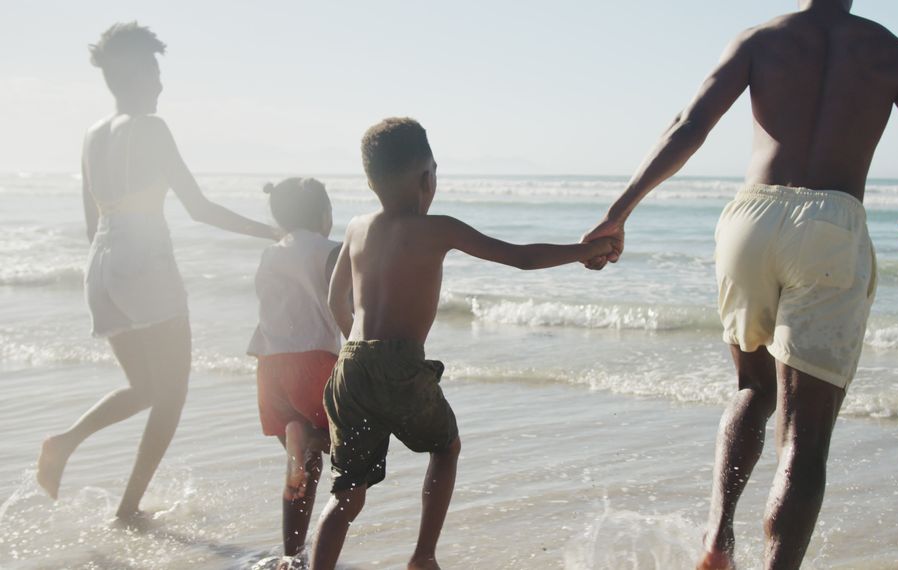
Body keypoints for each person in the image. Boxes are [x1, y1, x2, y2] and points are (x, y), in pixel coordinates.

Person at [581, 1, 898, 568]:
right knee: (805, 437)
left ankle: (717, 540)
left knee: (752, 389)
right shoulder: (890, 51)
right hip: (830, 224)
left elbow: (688, 127)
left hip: (750, 221)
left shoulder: (758, 39)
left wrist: (619, 211)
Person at [309, 117, 616, 570]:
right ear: (427, 178)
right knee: (445, 448)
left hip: (350, 367)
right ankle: (423, 556)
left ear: (372, 180)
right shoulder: (438, 228)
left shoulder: (356, 227)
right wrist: (584, 251)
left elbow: (336, 299)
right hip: (400, 366)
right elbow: (522, 259)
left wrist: (359, 354)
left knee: (347, 494)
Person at [36, 22, 279, 522]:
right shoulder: (151, 128)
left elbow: (92, 221)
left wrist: (116, 267)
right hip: (143, 260)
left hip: (100, 265)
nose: (162, 84)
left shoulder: (91, 134)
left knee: (146, 388)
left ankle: (64, 442)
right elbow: (199, 208)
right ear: (138, 74)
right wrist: (272, 233)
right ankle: (127, 508)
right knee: (172, 395)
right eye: (155, 71)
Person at [247, 177, 341, 566]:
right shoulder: (332, 251)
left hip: (270, 367)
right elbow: (349, 306)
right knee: (344, 450)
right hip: (316, 362)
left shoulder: (270, 254)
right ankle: (309, 438)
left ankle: (292, 554)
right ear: (324, 215)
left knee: (304, 463)